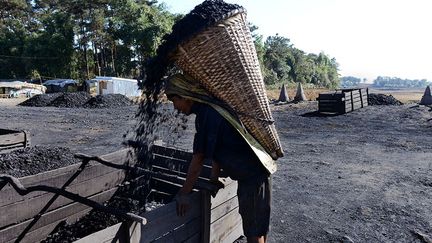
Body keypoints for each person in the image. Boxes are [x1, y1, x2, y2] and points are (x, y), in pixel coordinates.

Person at [165, 74, 274, 243]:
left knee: (254, 231)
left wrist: (184, 193)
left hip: (252, 177)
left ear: (185, 96)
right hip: (253, 174)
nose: (175, 107)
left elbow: (199, 159)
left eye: (174, 101)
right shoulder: (209, 111)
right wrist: (214, 178)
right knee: (258, 226)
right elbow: (217, 149)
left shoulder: (208, 115)